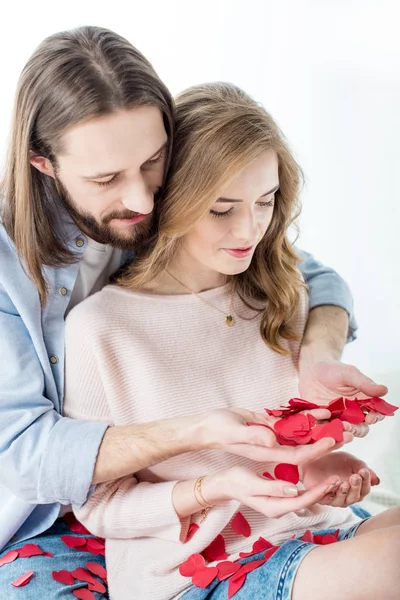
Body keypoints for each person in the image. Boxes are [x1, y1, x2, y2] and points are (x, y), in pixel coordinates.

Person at [0, 26, 387, 597]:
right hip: (44, 518)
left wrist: (317, 362)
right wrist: (204, 435)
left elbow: (308, 275)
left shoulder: (183, 217)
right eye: (107, 179)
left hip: (264, 524)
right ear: (44, 164)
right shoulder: (65, 304)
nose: (142, 200)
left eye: (155, 163)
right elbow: (28, 457)